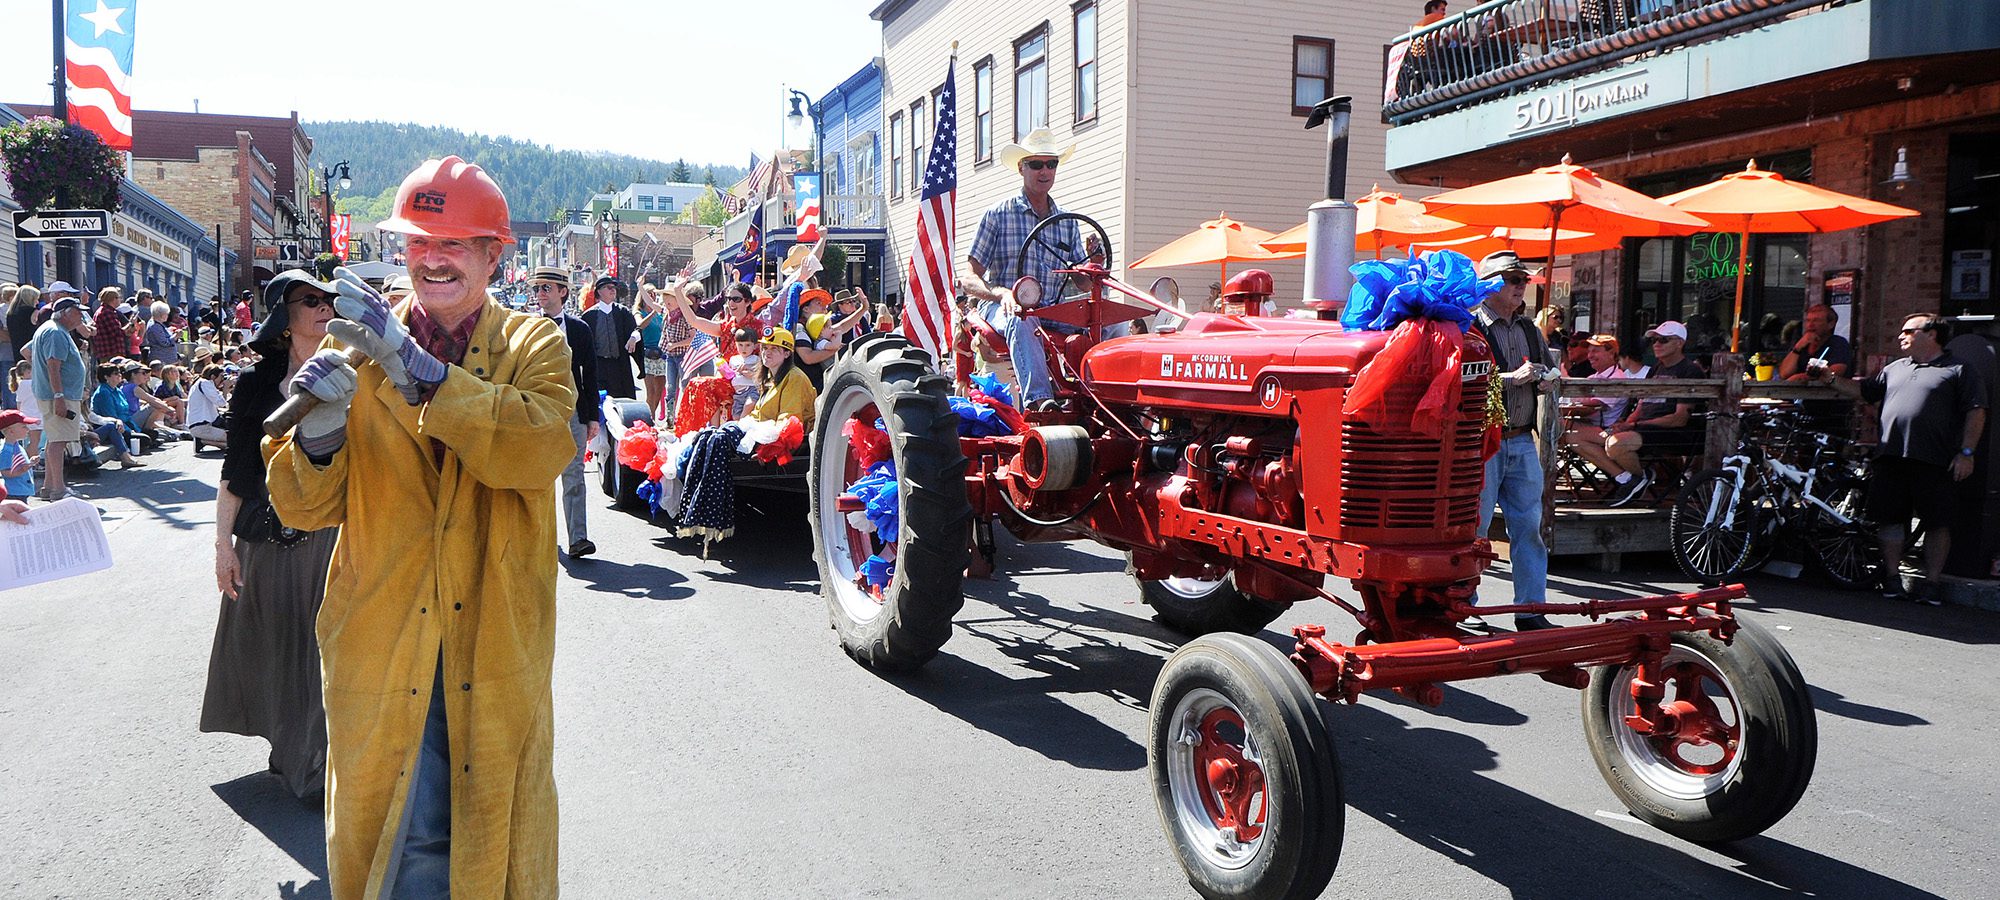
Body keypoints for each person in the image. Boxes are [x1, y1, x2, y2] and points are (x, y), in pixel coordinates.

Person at [264, 155, 573, 899]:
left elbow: (537, 448)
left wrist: (417, 368)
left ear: (493, 255)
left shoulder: (534, 347)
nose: (432, 262)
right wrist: (320, 437)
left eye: (454, 245)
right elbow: (304, 508)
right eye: (418, 245)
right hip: (384, 629)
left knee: (481, 837)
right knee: (402, 844)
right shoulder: (349, 354)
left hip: (492, 632)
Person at [199, 268, 341, 802]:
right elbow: (235, 472)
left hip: (333, 532)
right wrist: (222, 546)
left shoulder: (355, 371)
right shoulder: (257, 383)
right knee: (280, 646)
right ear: (285, 316)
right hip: (267, 537)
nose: (323, 307)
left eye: (328, 299)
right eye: (310, 300)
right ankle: (291, 752)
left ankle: (317, 763)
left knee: (326, 647)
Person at [1817, 313, 1988, 604]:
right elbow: (1864, 392)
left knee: (1937, 523)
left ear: (1931, 334)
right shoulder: (1894, 368)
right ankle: (1892, 579)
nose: (1901, 336)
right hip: (1892, 455)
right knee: (1890, 520)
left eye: (1908, 331)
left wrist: (1967, 452)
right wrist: (1830, 379)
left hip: (1936, 459)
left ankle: (1931, 583)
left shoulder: (1959, 369)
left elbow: (1976, 411)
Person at [963, 128, 1127, 406]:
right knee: (1023, 318)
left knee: (1114, 321)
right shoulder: (998, 214)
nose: (1045, 171)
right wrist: (1003, 294)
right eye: (1036, 164)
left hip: (1052, 307)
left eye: (1051, 164)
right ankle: (1039, 402)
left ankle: (1107, 399)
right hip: (1006, 307)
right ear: (1021, 168)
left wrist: (1094, 262)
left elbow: (1082, 283)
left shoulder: (1066, 220)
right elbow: (969, 278)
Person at [1468, 251, 1554, 631]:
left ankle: (1531, 611)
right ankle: (1464, 608)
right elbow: (1461, 382)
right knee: (1474, 531)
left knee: (1529, 530)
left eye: (1523, 278)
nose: (1521, 285)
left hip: (1520, 441)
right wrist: (1509, 379)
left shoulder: (1529, 330)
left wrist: (1547, 378)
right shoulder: (1468, 327)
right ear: (1489, 284)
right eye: (1512, 278)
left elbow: (1544, 371)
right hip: (1481, 445)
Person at [529, 266, 599, 558]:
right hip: (538, 410)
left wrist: (593, 416)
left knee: (574, 475)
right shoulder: (527, 326)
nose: (541, 293)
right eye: (537, 288)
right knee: (538, 479)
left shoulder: (580, 329)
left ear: (562, 292)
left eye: (546, 288)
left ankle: (578, 539)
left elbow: (591, 374)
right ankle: (538, 540)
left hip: (573, 410)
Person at [1601, 320, 1707, 507]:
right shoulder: (1655, 369)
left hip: (1672, 434)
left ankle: (1640, 478)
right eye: (1655, 340)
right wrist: (1626, 422)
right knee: (1582, 439)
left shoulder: (1690, 370)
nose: (1657, 344)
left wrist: (1634, 426)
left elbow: (1679, 418)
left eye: (1664, 340)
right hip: (1643, 428)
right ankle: (1634, 479)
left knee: (1616, 445)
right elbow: (1642, 404)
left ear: (1679, 343)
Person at [30, 296, 90, 501]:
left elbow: (29, 353)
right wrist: (59, 396)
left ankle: (49, 487)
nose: (81, 315)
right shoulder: (56, 332)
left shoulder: (51, 329)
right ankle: (59, 489)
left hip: (52, 394)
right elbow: (53, 365)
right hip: (56, 395)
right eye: (77, 311)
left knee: (54, 440)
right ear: (65, 313)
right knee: (58, 441)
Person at [1562, 335, 1645, 474]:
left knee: (1566, 431)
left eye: (1595, 351)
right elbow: (1578, 398)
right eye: (1589, 351)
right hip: (1591, 426)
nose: (1590, 356)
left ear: (1612, 353)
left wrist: (1577, 398)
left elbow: (1594, 406)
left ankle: (1623, 476)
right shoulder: (1594, 377)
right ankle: (1622, 477)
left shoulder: (1616, 378)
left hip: (1609, 430)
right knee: (1562, 430)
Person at [747, 326, 817, 428]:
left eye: (774, 348)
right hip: (766, 435)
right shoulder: (769, 377)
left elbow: (787, 422)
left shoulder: (795, 378)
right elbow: (758, 414)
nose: (767, 352)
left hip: (790, 440)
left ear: (787, 353)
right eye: (765, 348)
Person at [582, 276, 640, 399]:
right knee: (599, 401)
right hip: (599, 366)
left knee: (621, 401)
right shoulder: (589, 315)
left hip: (619, 366)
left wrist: (634, 337)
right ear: (599, 291)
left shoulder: (622, 312)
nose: (612, 290)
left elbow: (636, 330)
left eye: (614, 287)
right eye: (608, 287)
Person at [86, 363, 147, 466]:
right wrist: (126, 428)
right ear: (106, 377)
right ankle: (125, 457)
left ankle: (127, 455)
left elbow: (125, 415)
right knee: (145, 439)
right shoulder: (103, 393)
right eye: (115, 373)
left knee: (148, 436)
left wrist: (135, 429)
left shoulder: (117, 390)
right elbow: (109, 415)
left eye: (120, 372)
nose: (119, 375)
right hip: (113, 428)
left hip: (123, 424)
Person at [634, 283, 671, 415]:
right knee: (651, 391)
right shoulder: (639, 312)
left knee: (659, 391)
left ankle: (652, 417)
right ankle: (649, 420)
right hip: (647, 354)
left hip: (661, 354)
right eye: (650, 293)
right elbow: (640, 325)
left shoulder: (660, 314)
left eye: (654, 294)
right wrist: (652, 312)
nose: (653, 296)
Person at [186, 364, 230, 451]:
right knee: (234, 442)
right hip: (201, 426)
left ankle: (204, 441)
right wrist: (225, 389)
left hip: (203, 425)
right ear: (213, 376)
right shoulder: (205, 383)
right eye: (221, 377)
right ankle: (202, 441)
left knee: (235, 441)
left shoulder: (203, 383)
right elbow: (221, 403)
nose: (222, 380)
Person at [723, 327, 762, 417]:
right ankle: (739, 427)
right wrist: (723, 371)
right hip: (738, 392)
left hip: (752, 389)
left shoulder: (756, 359)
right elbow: (730, 374)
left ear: (755, 346)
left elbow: (760, 375)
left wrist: (751, 374)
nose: (744, 348)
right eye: (740, 345)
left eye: (748, 345)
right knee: (736, 415)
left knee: (749, 404)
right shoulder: (733, 359)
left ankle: (742, 423)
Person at [0, 409, 39, 500]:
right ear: (11, 431)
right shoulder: (6, 451)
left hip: (21, 490)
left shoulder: (17, 446)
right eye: (23, 426)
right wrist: (21, 470)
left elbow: (18, 463)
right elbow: (5, 472)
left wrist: (30, 462)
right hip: (14, 493)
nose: (28, 429)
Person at [91, 287, 129, 365]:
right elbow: (117, 333)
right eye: (118, 298)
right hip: (111, 353)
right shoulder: (107, 312)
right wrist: (130, 324)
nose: (120, 300)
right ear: (113, 299)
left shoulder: (104, 311)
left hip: (107, 352)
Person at [143, 300, 183, 365]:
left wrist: (169, 331)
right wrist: (176, 336)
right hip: (162, 360)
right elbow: (164, 343)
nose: (167, 315)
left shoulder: (158, 324)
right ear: (161, 315)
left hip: (166, 359)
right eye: (166, 313)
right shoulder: (155, 326)